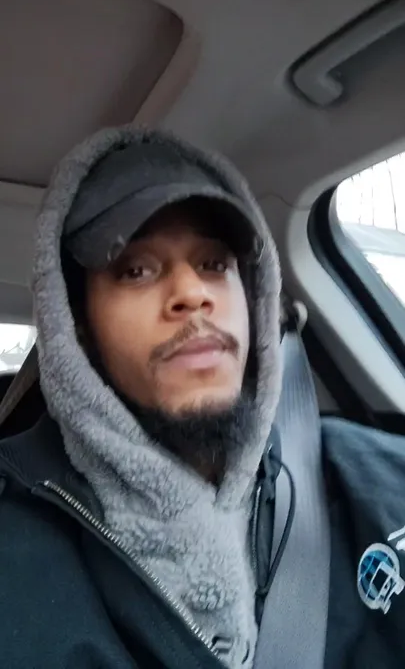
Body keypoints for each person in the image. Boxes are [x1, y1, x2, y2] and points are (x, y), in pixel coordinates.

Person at [1, 126, 405, 669]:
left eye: (215, 264)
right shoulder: (17, 554)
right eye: (136, 270)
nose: (192, 294)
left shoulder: (375, 476)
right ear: (76, 328)